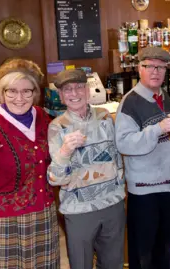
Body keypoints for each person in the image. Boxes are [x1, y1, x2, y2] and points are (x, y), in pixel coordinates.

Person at [0, 59, 59, 268]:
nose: (19, 98)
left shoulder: (43, 117)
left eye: (27, 91)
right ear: (2, 93)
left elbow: (54, 158)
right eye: (12, 91)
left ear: (35, 93)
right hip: (4, 218)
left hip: (42, 210)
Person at [47, 69, 125, 269]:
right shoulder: (57, 127)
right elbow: (55, 179)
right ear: (62, 97)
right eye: (68, 90)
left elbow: (118, 157)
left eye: (80, 87)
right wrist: (65, 150)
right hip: (79, 209)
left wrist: (120, 189)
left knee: (113, 263)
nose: (75, 93)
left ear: (88, 91)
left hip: (112, 204)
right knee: (81, 264)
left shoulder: (105, 116)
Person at [115, 47, 170, 269]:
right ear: (138, 68)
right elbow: (124, 143)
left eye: (161, 67)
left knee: (166, 248)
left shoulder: (163, 97)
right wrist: (158, 129)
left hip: (169, 187)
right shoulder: (130, 102)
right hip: (145, 190)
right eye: (149, 66)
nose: (156, 71)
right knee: (143, 254)